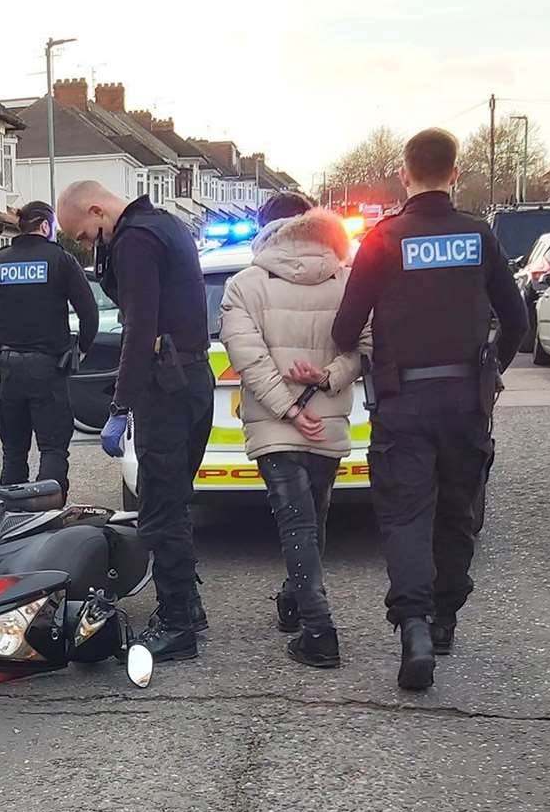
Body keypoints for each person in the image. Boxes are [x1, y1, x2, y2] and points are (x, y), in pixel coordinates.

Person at [330, 129, 527, 691]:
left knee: (405, 515)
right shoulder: (479, 236)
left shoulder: (383, 239)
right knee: (457, 510)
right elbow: (516, 322)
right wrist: (492, 376)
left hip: (403, 403)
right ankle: (444, 619)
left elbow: (346, 329)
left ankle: (413, 626)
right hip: (467, 402)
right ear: (455, 173)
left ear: (404, 173)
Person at [57, 179, 212, 662]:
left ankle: (177, 624)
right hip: (194, 379)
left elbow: (140, 328)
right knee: (174, 501)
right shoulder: (166, 224)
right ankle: (189, 605)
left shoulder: (135, 241)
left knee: (160, 511)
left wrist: (120, 406)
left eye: (85, 235)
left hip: (164, 388)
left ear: (98, 210)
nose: (88, 245)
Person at [219, 192, 364, 669]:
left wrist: (285, 409)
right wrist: (328, 378)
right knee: (314, 517)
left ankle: (320, 631)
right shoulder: (347, 281)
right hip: (328, 421)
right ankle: (295, 599)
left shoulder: (244, 285)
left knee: (295, 521)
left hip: (274, 424)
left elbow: (249, 359)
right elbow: (366, 347)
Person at [0, 201, 98, 496]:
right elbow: (90, 315)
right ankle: (47, 520)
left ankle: (12, 522)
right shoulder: (61, 261)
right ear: (47, 226)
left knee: (13, 452)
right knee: (52, 448)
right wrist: (80, 351)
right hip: (48, 368)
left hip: (9, 370)